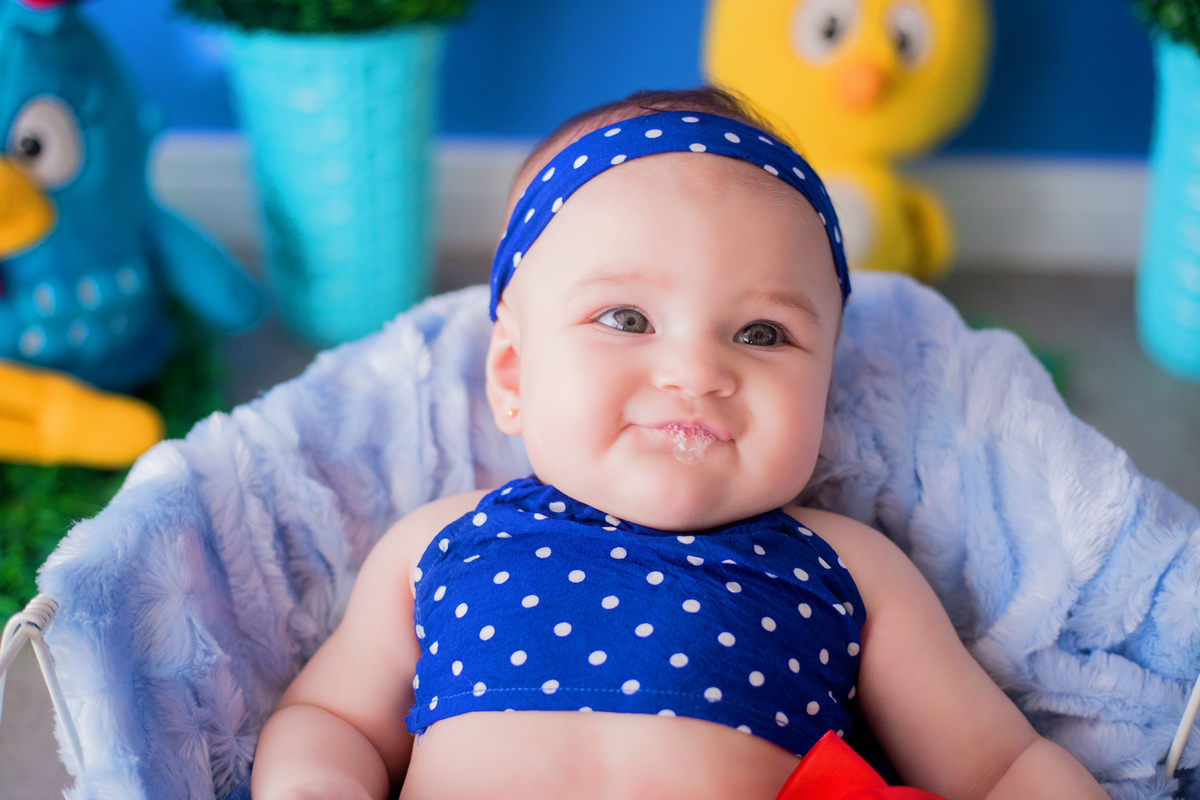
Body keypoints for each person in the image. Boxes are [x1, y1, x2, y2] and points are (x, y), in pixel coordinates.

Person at [249, 87, 1108, 800]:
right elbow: (331, 721)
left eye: (765, 334)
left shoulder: (846, 568)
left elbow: (998, 766)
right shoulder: (443, 544)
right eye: (627, 319)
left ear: (828, 387)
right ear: (511, 376)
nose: (697, 372)